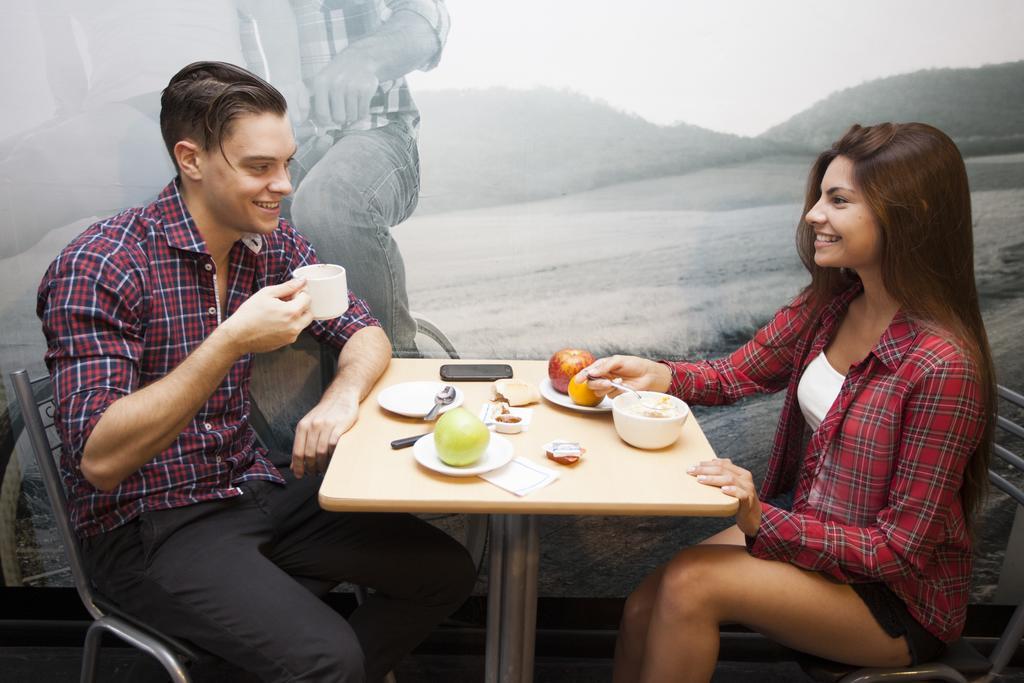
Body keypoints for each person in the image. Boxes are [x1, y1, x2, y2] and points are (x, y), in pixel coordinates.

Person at [36, 61, 475, 683]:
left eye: (287, 163)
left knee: (445, 574)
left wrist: (341, 398)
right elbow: (102, 459)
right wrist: (230, 341)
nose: (285, 186)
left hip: (250, 487)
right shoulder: (101, 264)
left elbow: (365, 332)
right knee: (331, 660)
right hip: (150, 524)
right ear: (190, 160)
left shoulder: (269, 246)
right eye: (259, 168)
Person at [578, 123, 995, 683]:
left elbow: (897, 552)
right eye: (821, 196)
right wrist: (660, 374)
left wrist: (760, 518)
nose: (813, 215)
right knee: (643, 601)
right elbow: (735, 374)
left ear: (910, 212)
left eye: (838, 200)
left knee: (690, 584)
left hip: (895, 601)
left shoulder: (943, 365)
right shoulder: (831, 305)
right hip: (817, 534)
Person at [239, 0, 451, 357]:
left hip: (377, 130)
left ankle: (394, 362)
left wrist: (364, 60)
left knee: (328, 200)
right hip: (284, 151)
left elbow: (428, 18)